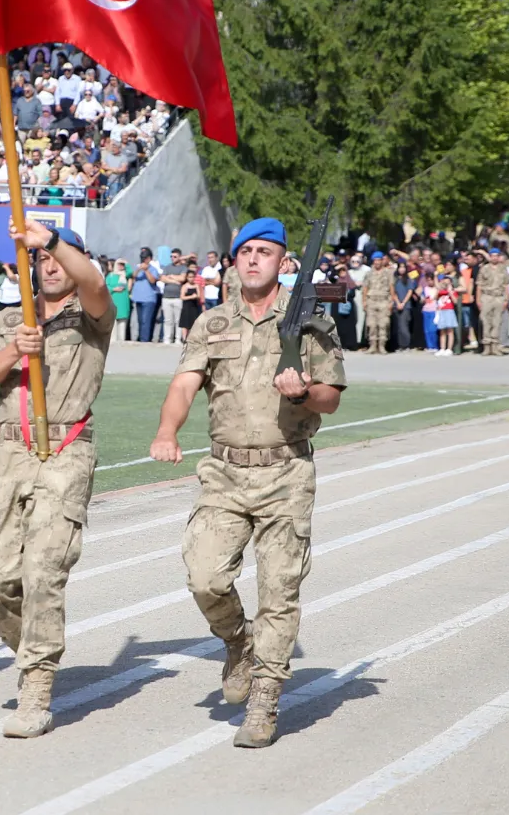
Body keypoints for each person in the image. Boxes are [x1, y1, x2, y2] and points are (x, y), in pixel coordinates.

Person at [149, 217, 346, 749]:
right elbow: (184, 383)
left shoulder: (309, 323)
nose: (253, 259)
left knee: (280, 591)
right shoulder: (211, 323)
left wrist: (303, 392)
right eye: (245, 251)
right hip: (224, 472)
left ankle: (264, 701)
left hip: (286, 470)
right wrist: (167, 430)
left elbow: (331, 395)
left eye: (265, 252)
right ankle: (238, 641)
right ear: (233, 261)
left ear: (285, 262)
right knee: (204, 578)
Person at [0, 221, 115, 738]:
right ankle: (33, 646)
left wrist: (51, 239)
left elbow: (94, 284)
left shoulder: (92, 314)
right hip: (8, 451)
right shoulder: (13, 317)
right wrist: (15, 351)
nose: (51, 266)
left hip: (66, 447)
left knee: (44, 570)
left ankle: (36, 682)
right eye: (42, 260)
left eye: (59, 258)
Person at [360, 252, 395, 354]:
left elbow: (391, 288)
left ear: (382, 261)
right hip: (372, 300)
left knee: (383, 324)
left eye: (379, 260)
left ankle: (382, 346)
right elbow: (365, 288)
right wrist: (364, 301)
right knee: (371, 324)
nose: (377, 262)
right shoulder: (369, 273)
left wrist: (391, 302)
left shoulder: (388, 273)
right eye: (375, 260)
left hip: (384, 300)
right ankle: (372, 346)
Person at [477, 248, 509, 356]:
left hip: (499, 297)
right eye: (492, 256)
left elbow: (506, 285)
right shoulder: (484, 269)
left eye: (496, 256)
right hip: (487, 296)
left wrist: (506, 299)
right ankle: (487, 346)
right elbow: (479, 285)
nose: (494, 258)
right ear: (490, 257)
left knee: (497, 322)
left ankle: (495, 346)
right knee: (486, 321)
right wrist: (478, 299)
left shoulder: (503, 269)